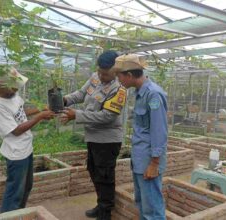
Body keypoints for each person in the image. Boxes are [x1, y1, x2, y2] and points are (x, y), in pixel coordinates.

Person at [60, 50, 126, 220]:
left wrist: (77, 115)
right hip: (93, 137)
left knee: (105, 176)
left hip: (107, 140)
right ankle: (101, 204)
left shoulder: (119, 88)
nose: (102, 76)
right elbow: (81, 94)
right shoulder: (95, 77)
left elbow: (107, 117)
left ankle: (105, 213)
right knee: (94, 171)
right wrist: (65, 100)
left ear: (116, 70)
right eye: (100, 72)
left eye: (106, 74)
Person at [0, 66, 55, 213]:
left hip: (26, 149)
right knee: (14, 193)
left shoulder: (11, 95)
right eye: (14, 88)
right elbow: (16, 131)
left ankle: (19, 214)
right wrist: (40, 117)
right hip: (16, 153)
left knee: (26, 187)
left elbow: (20, 112)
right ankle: (7, 216)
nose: (16, 90)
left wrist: (40, 109)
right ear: (2, 85)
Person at [113, 54, 168, 220]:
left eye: (119, 76)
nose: (118, 80)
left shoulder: (153, 95)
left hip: (149, 161)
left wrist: (154, 163)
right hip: (140, 159)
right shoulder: (139, 93)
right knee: (143, 204)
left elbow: (159, 131)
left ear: (129, 75)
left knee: (152, 209)